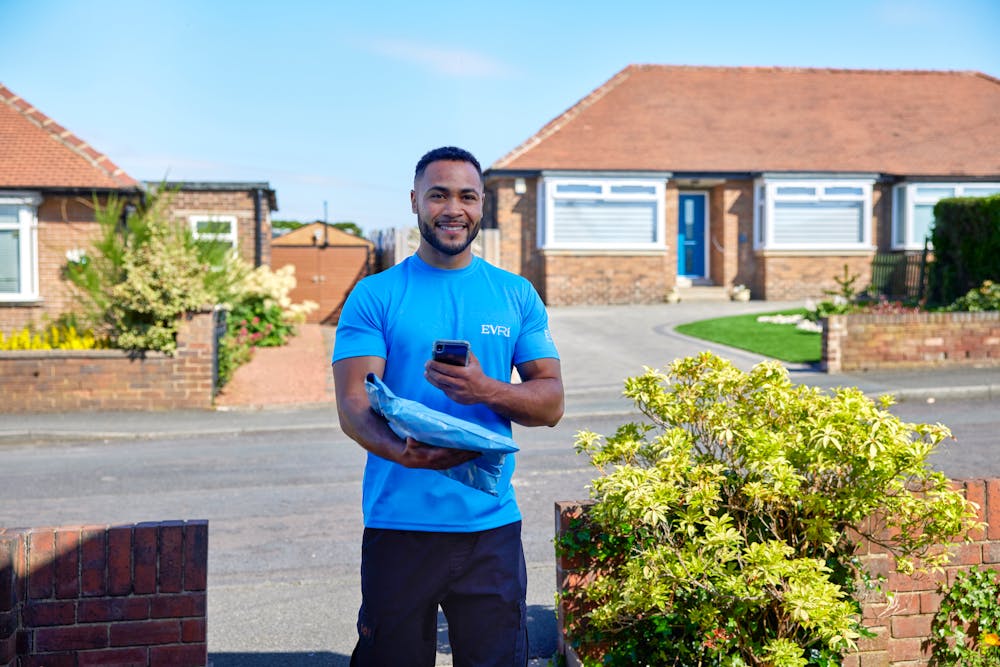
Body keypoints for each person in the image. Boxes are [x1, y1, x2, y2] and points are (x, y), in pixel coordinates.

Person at [332, 146, 564, 666]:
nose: (452, 208)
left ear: (483, 206)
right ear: (415, 201)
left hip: (490, 527)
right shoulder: (375, 295)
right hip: (399, 523)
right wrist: (404, 452)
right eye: (438, 195)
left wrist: (486, 389)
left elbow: (550, 402)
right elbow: (352, 404)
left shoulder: (516, 294)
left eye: (467, 196)